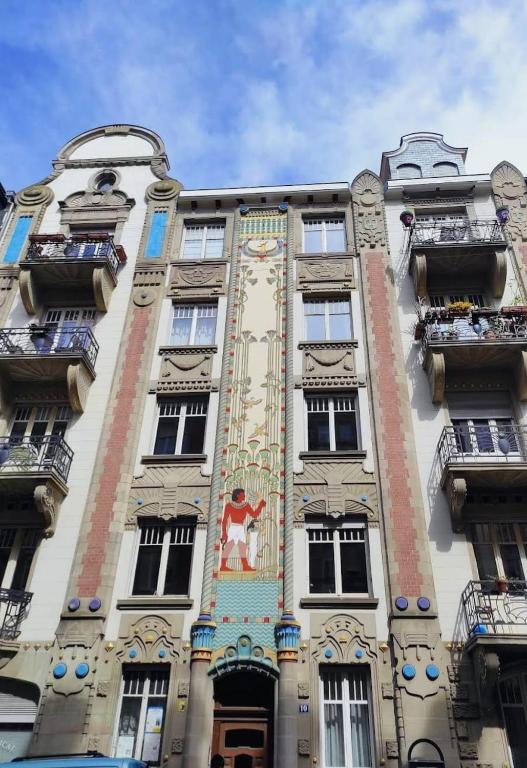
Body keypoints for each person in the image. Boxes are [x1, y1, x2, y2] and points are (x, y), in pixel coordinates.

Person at [221, 488, 266, 572]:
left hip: (240, 528)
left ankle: (245, 566)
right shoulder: (229, 505)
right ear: (238, 495)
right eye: (243, 494)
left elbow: (254, 515)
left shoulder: (246, 505)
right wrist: (224, 533)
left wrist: (260, 506)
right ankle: (223, 566)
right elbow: (224, 520)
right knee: (229, 546)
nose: (244, 496)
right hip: (233, 527)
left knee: (242, 547)